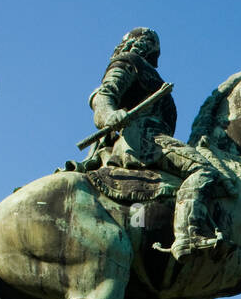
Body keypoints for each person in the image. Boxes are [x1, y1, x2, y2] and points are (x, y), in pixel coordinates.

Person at [87, 27, 229, 261]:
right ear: (134, 45)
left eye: (149, 44)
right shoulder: (129, 62)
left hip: (150, 138)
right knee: (203, 169)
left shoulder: (147, 72)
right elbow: (104, 95)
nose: (149, 48)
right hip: (142, 139)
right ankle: (189, 234)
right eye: (145, 42)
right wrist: (110, 114)